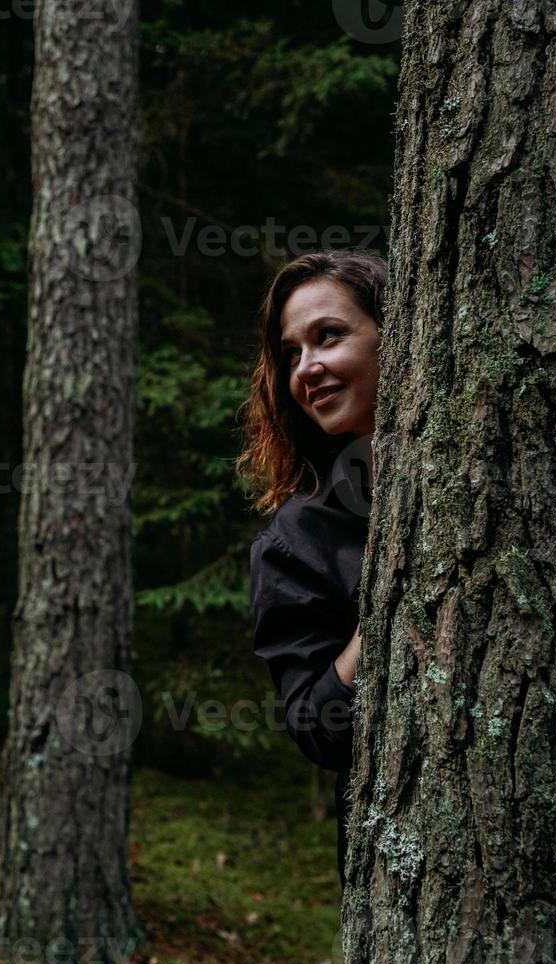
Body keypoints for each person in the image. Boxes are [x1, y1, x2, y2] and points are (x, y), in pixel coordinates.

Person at [235, 250, 386, 891]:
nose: (308, 368)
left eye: (328, 336)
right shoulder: (295, 541)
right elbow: (316, 728)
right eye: (292, 352)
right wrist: (391, 604)